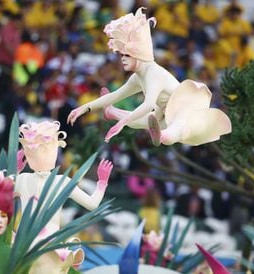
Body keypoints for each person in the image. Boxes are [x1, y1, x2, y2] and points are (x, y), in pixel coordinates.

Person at [67, 8, 231, 146]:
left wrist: (121, 124)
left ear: (138, 55)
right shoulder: (138, 76)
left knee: (167, 130)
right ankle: (114, 113)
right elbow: (115, 95)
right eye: (122, 55)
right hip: (163, 114)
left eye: (127, 55)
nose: (122, 59)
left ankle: (159, 134)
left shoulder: (153, 73)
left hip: (186, 112)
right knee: (141, 120)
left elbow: (148, 104)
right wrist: (83, 108)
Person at [15, 120, 113, 274]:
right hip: (49, 246)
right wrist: (102, 183)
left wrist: (15, 171)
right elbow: (92, 204)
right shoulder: (61, 181)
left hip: (23, 247)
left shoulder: (21, 179)